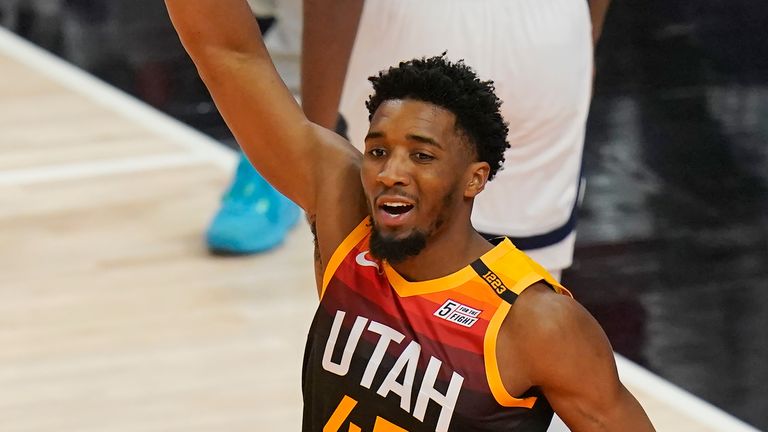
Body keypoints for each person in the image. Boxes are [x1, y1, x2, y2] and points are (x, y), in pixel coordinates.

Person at [165, 1, 655, 430]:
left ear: (474, 179)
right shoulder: (346, 223)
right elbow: (226, 52)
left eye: (421, 157)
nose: (390, 174)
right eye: (378, 152)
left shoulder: (536, 324)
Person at [302, 0, 611, 281]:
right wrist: (587, 36)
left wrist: (314, 140)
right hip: (549, 40)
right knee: (526, 287)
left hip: (412, 33)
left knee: (392, 299)